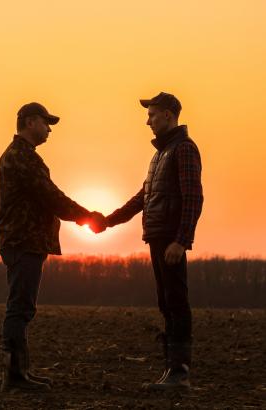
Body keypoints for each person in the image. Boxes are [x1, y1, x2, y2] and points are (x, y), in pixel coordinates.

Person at [95, 92, 203, 390]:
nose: (148, 121)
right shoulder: (160, 155)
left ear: (169, 115)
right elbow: (143, 197)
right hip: (157, 235)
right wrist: (107, 221)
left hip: (170, 237)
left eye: (152, 114)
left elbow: (194, 197)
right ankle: (171, 369)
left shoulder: (183, 149)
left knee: (176, 301)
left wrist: (181, 240)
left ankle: (180, 371)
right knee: (165, 302)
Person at [0, 102, 105, 392]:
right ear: (30, 122)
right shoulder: (23, 158)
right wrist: (87, 217)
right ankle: (15, 376)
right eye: (46, 123)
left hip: (22, 240)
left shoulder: (19, 156)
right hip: (23, 241)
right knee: (20, 307)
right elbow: (51, 197)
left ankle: (20, 372)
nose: (49, 129)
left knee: (22, 306)